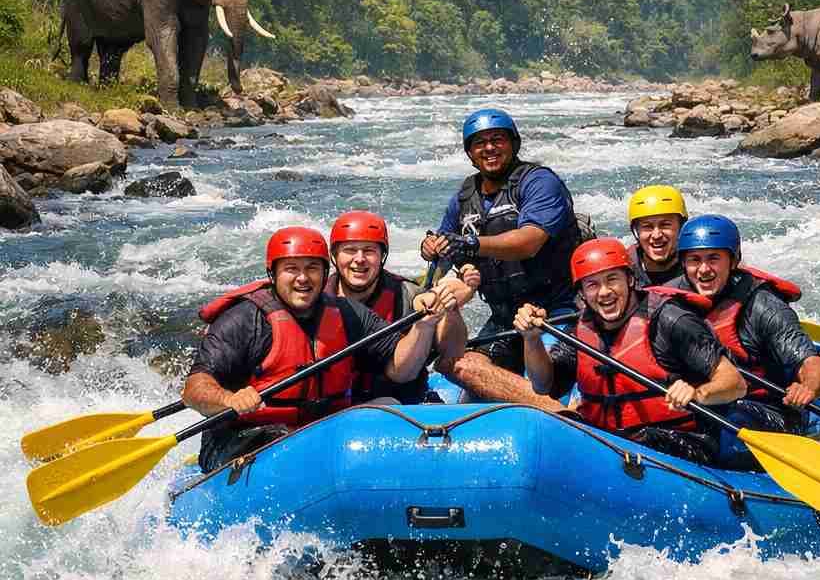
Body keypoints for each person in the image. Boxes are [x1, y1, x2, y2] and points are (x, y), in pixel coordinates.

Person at [183, 226, 459, 472]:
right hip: (245, 437)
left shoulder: (347, 313)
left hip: (318, 432)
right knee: (285, 443)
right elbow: (194, 389)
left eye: (312, 268)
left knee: (390, 407)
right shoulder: (243, 319)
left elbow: (402, 371)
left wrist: (425, 325)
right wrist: (229, 400)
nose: (303, 278)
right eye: (292, 269)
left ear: (325, 272)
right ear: (273, 273)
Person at [513, 238, 747, 464]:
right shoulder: (581, 330)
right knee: (555, 430)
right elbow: (543, 385)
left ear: (630, 280)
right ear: (582, 294)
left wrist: (697, 393)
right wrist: (532, 340)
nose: (604, 292)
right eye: (592, 284)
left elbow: (735, 383)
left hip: (681, 441)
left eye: (612, 279)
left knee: (643, 441)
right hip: (613, 441)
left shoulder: (671, 320)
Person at [419, 107, 585, 374]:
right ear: (470, 153)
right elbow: (446, 248)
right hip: (504, 318)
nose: (489, 148)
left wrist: (473, 243)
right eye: (480, 143)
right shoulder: (464, 197)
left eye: (498, 139)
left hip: (556, 312)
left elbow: (529, 242)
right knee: (459, 369)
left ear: (513, 144)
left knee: (546, 376)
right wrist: (432, 248)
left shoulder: (539, 182)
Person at [677, 214, 820, 454]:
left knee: (732, 418)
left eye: (714, 258)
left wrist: (808, 388)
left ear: (733, 260)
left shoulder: (764, 306)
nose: (703, 269)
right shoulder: (671, 300)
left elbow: (811, 362)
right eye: (694, 260)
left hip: (766, 410)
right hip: (702, 402)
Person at [327, 209, 476, 401]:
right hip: (336, 410)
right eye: (350, 250)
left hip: (400, 407)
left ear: (382, 256)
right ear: (335, 256)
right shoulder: (316, 300)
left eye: (369, 250)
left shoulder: (409, 294)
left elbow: (452, 352)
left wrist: (451, 307)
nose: (360, 259)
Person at [626, 184, 688, 286]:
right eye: (647, 226)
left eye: (665, 225)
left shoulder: (699, 267)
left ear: (682, 227)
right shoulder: (624, 272)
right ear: (636, 232)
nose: (656, 235)